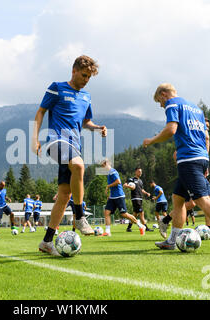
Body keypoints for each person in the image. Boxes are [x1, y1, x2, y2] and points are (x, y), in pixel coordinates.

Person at [143, 83, 210, 254]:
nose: (161, 105)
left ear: (164, 94)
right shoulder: (196, 109)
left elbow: (171, 130)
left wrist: (151, 141)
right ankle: (172, 240)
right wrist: (205, 158)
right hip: (200, 156)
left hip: (189, 159)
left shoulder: (172, 104)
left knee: (203, 200)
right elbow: (205, 136)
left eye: (160, 101)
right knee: (177, 198)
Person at [32, 55, 107, 256]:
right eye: (83, 75)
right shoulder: (56, 87)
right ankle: (80, 216)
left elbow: (85, 122)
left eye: (89, 78)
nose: (85, 80)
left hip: (74, 145)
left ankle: (47, 241)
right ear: (73, 71)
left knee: (64, 195)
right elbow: (40, 112)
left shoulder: (86, 97)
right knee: (80, 166)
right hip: (56, 140)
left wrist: (97, 127)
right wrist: (35, 138)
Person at [102, 159, 146, 236]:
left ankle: (141, 225)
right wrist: (109, 195)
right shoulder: (109, 173)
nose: (103, 167)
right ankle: (108, 232)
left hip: (119, 196)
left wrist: (108, 186)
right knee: (106, 212)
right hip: (113, 197)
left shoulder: (113, 171)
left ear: (107, 164)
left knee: (124, 214)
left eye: (103, 165)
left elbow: (118, 181)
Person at [125, 167, 153, 232]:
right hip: (135, 198)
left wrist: (146, 193)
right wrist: (130, 186)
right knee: (141, 213)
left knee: (135, 214)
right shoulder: (132, 179)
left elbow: (141, 189)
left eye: (141, 172)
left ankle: (129, 228)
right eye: (139, 171)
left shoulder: (140, 181)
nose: (140, 173)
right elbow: (125, 184)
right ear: (135, 172)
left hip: (140, 198)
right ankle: (146, 228)